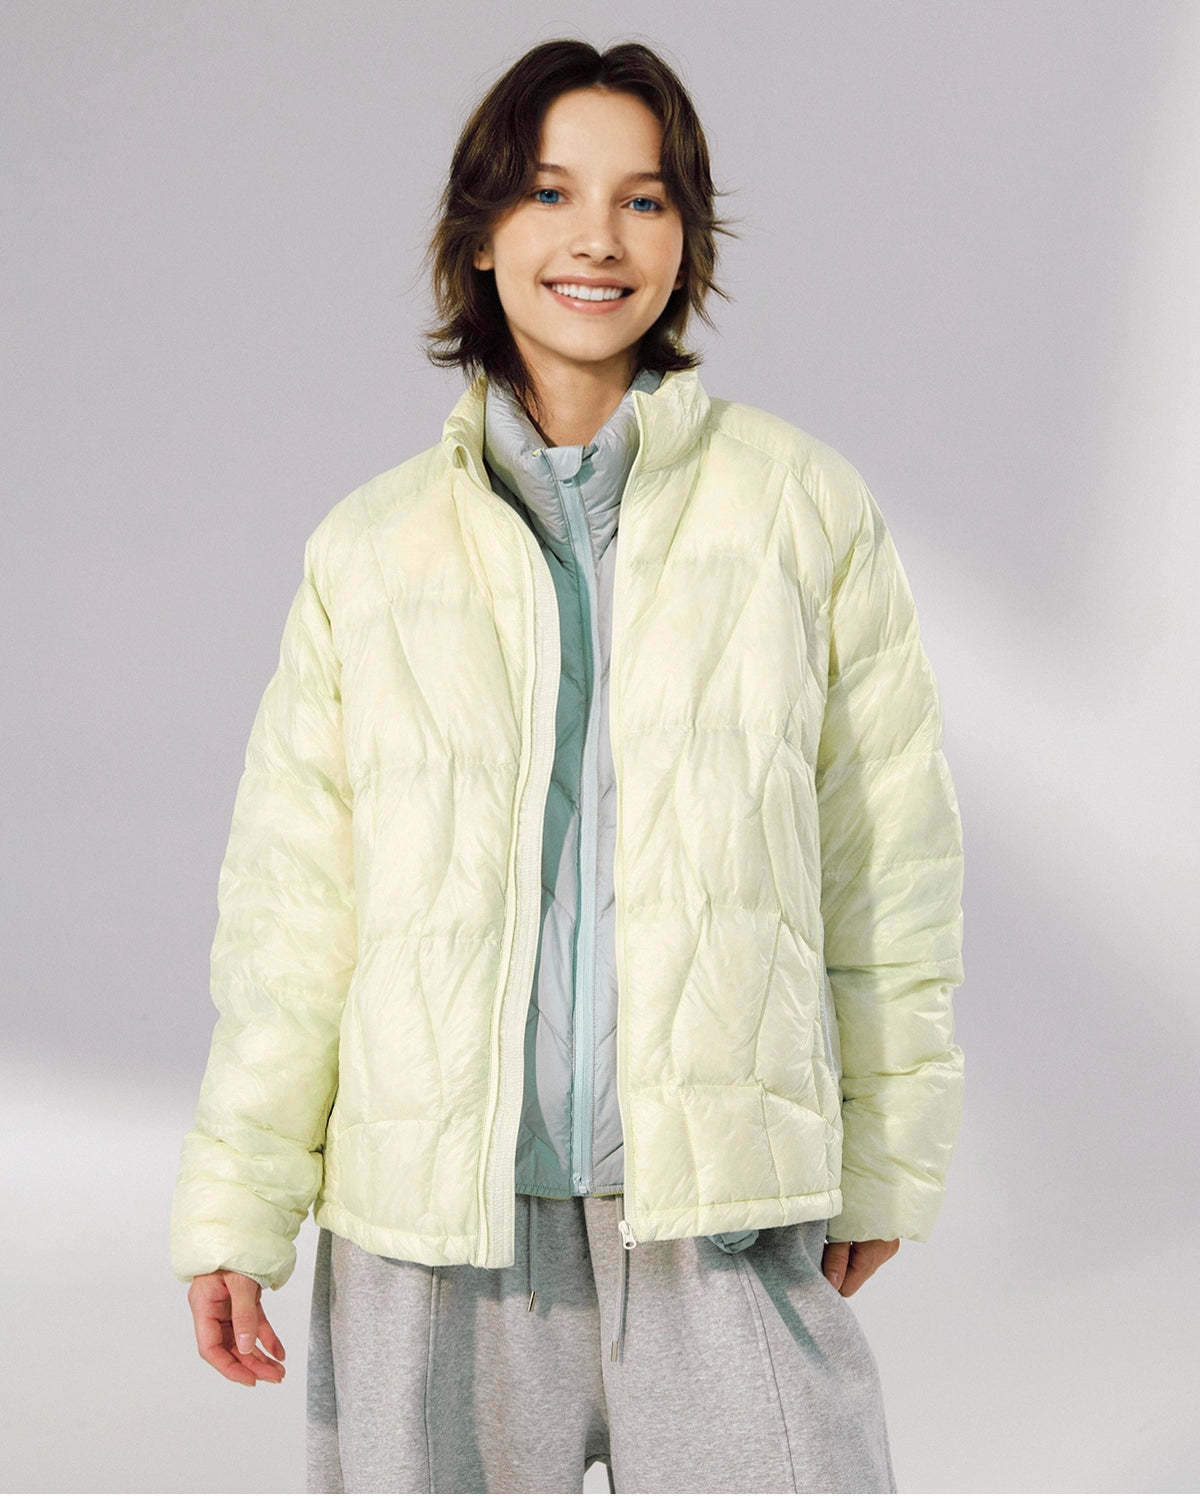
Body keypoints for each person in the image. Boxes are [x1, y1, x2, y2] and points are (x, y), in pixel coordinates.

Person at [170, 36, 965, 1496]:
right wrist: (239, 1199)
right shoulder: (371, 553)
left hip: (719, 1210)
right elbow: (294, 914)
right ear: (481, 233)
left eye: (643, 200)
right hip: (436, 1231)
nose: (596, 236)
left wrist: (890, 1151)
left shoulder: (803, 512)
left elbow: (886, 859)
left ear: (687, 240)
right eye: (549, 192)